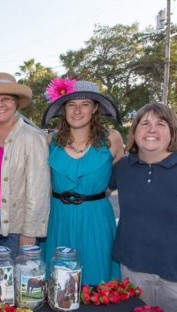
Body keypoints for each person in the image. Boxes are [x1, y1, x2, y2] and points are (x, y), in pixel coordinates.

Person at [40, 79, 124, 285]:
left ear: (95, 108)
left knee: (97, 282)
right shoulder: (50, 141)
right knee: (58, 283)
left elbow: (121, 176)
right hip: (59, 218)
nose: (77, 110)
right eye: (71, 104)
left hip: (96, 219)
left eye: (84, 104)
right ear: (63, 109)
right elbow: (43, 183)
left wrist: (98, 192)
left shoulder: (112, 138)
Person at [109, 102, 177, 312]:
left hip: (173, 279)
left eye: (160, 124)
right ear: (135, 131)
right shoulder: (123, 168)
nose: (152, 130)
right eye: (145, 123)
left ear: (172, 131)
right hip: (133, 272)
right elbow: (94, 194)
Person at [0, 72, 51, 261]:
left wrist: (30, 233)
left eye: (6, 99)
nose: (0, 104)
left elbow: (39, 191)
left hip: (18, 223)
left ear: (16, 104)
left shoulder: (33, 137)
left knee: (13, 281)